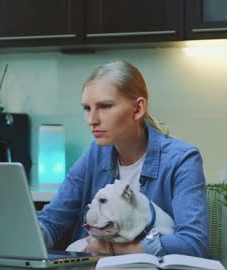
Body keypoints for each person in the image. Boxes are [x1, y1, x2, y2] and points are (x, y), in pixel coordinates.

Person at [37, 60, 209, 257]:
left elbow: (194, 244)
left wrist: (111, 249)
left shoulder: (182, 159)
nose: (92, 120)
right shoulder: (94, 155)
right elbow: (52, 222)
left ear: (138, 109)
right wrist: (19, 235)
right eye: (87, 108)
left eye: (105, 106)